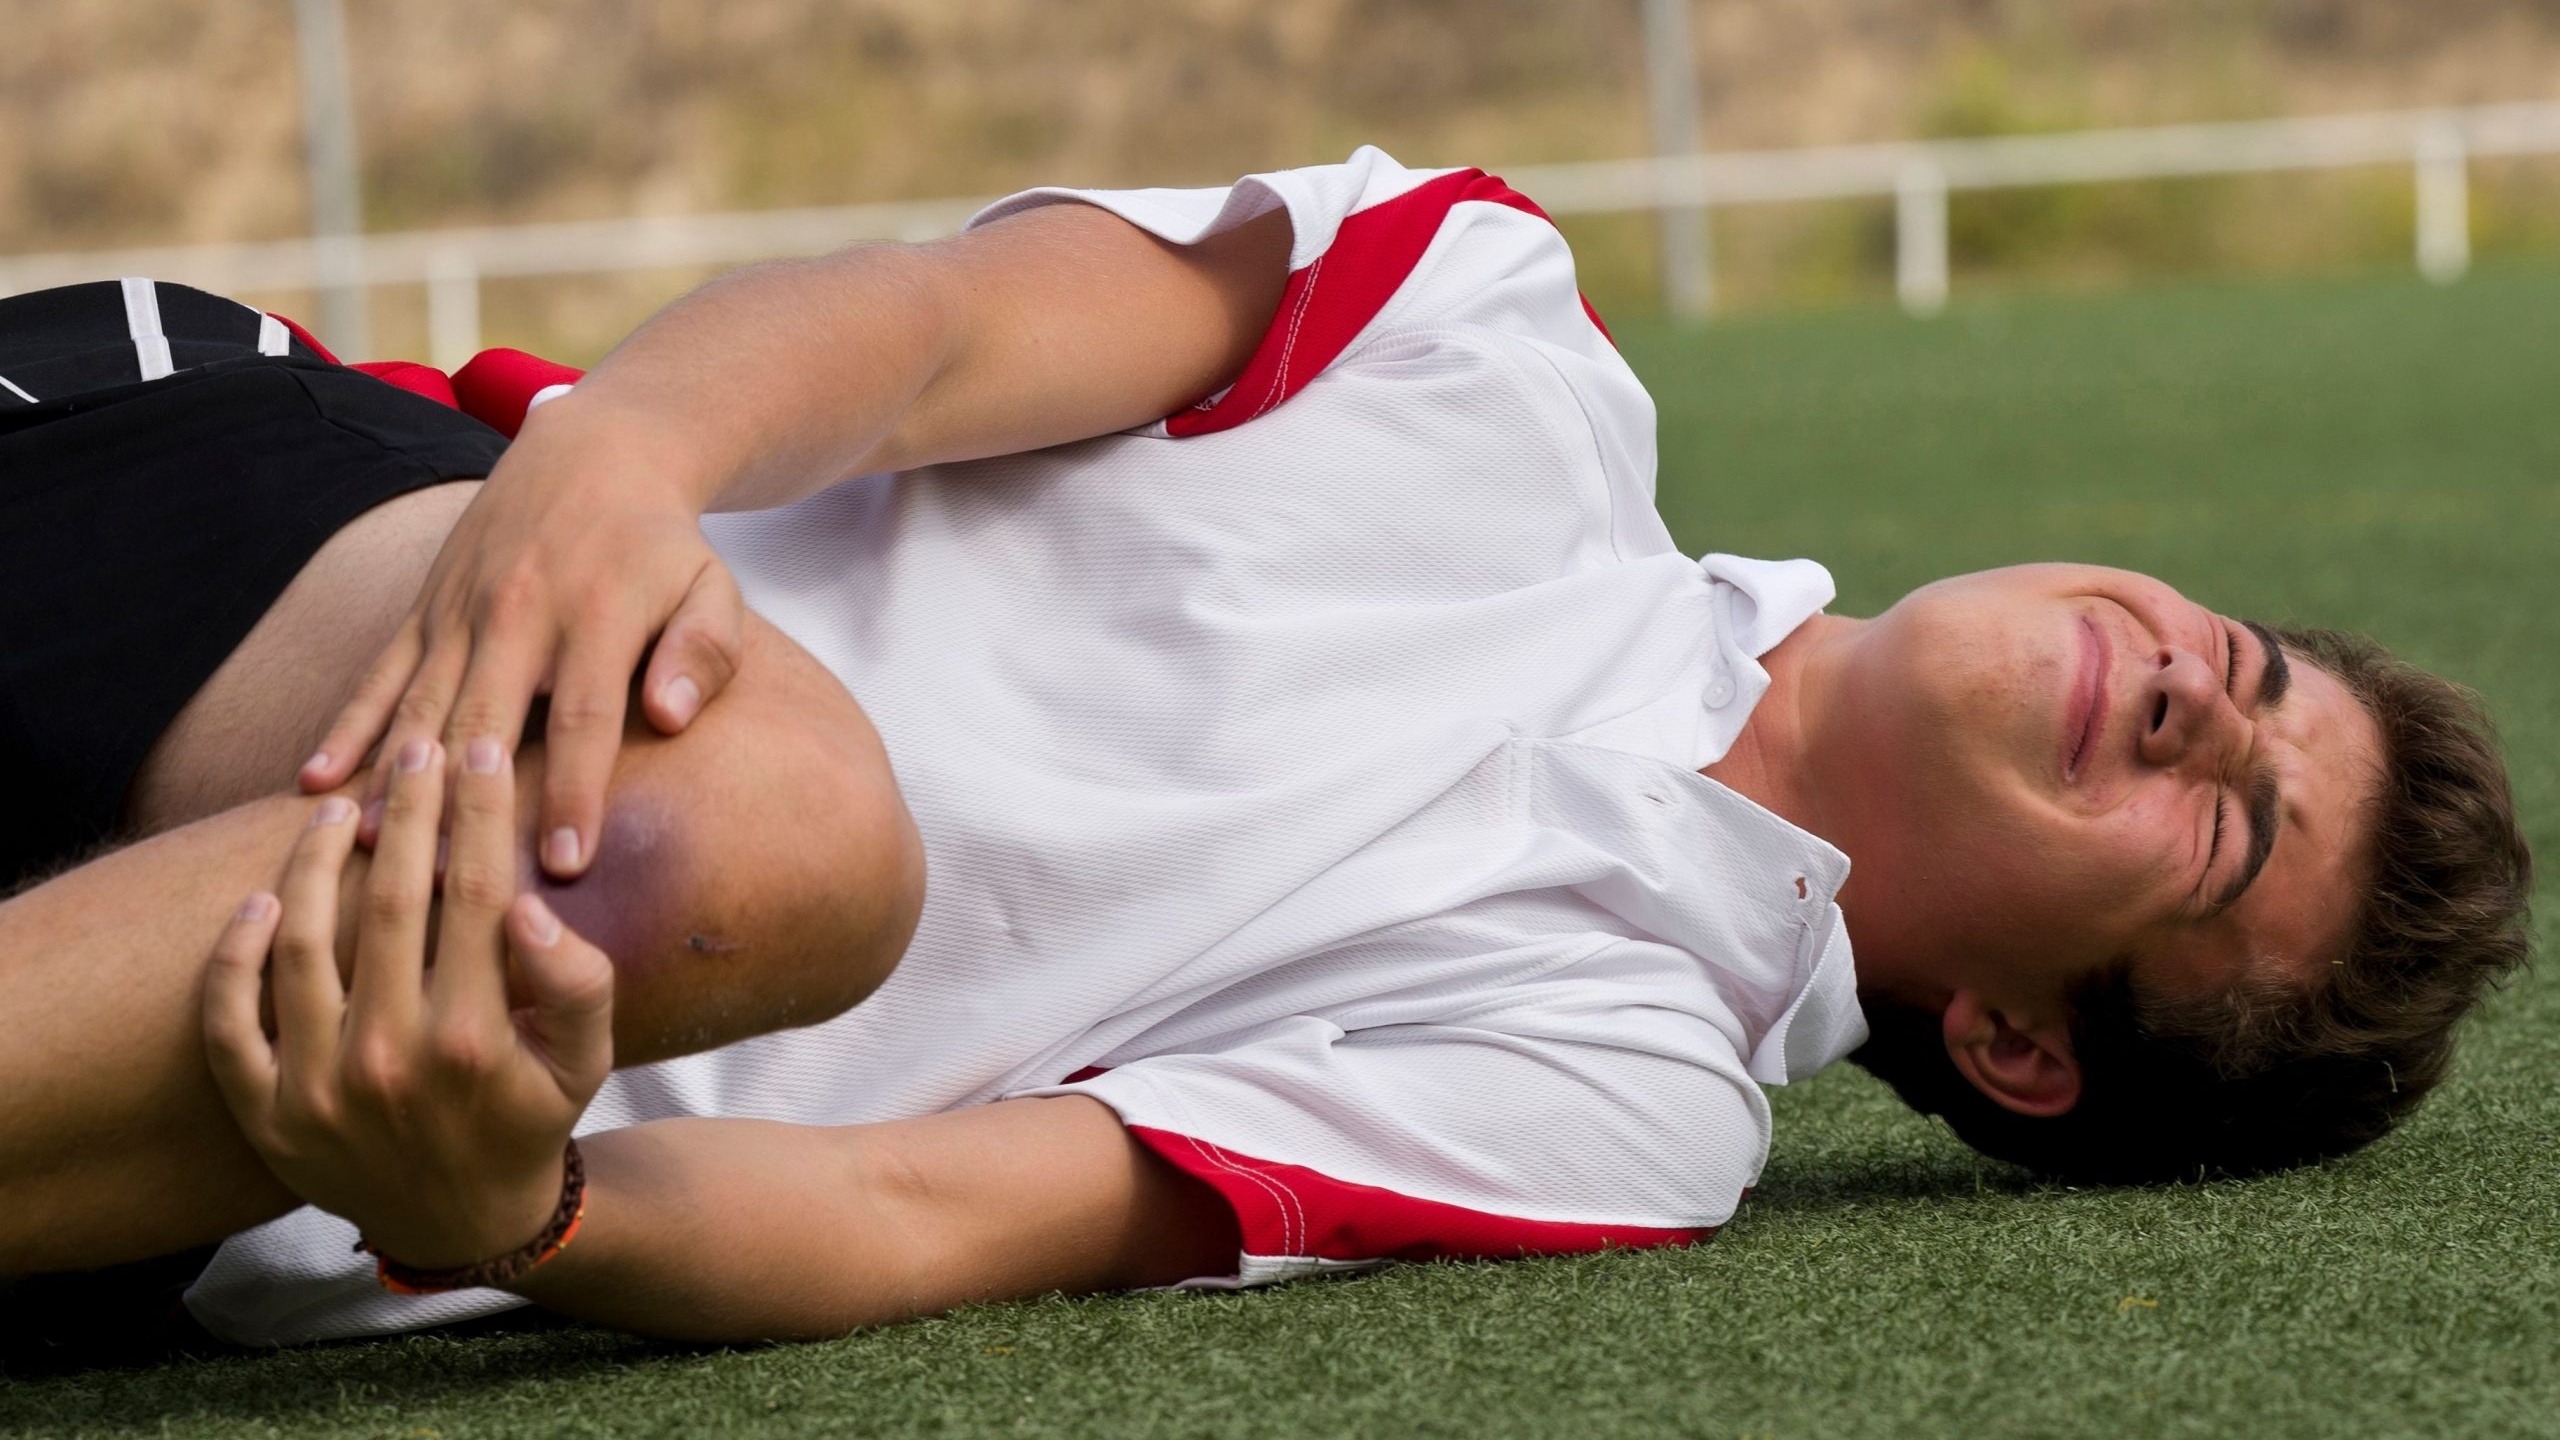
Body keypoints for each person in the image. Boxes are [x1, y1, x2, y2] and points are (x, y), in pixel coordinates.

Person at [0, 150, 2529, 1349]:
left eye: (2219, 833)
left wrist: (521, 1209)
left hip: (223, 1138)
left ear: (2013, 1045)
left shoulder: (1623, 1089)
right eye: (2245, 669)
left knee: (722, 867)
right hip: (238, 550)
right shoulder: (1492, 334)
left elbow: (926, 1210)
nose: (2194, 698)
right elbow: (929, 322)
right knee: (764, 827)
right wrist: (628, 454)